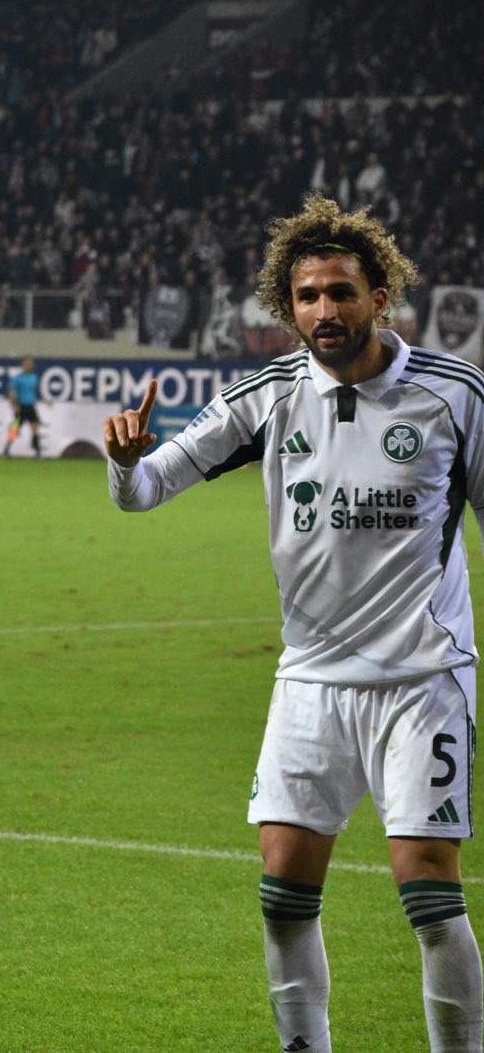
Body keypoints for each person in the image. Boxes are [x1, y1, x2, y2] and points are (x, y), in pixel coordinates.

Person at [104, 193, 483, 1053]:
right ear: (289, 306)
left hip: (422, 680)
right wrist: (124, 464)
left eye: (341, 291)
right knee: (283, 895)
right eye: (307, 296)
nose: (324, 310)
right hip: (310, 682)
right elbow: (148, 487)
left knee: (430, 896)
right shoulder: (267, 396)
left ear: (379, 296)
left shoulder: (454, 394)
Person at [3, 357, 41, 457]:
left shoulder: (34, 377)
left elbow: (33, 392)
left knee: (35, 427)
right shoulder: (18, 378)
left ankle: (37, 450)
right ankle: (7, 448)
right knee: (15, 428)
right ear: (23, 365)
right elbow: (11, 391)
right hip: (20, 406)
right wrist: (14, 404)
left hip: (30, 406)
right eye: (26, 364)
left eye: (30, 364)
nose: (28, 366)